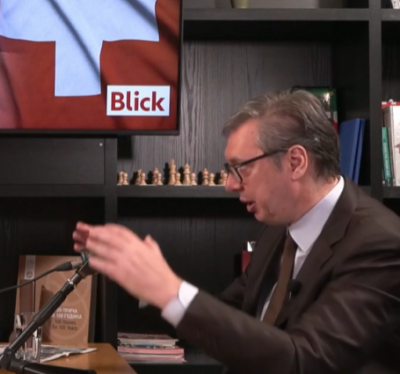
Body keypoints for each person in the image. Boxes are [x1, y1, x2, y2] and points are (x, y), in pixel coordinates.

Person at [74, 90, 400, 373]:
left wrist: (169, 290)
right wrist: (143, 281)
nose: (229, 185)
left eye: (241, 167)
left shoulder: (380, 245)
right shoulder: (278, 230)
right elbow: (228, 316)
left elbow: (304, 361)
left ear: (296, 162)